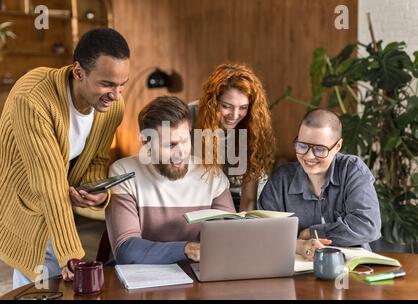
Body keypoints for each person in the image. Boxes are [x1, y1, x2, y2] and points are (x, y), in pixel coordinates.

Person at [0, 28, 131, 289]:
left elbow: (96, 158)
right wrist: (71, 253)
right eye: (107, 84)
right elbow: (47, 183)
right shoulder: (32, 98)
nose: (116, 95)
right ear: (78, 71)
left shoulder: (112, 106)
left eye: (122, 85)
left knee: (53, 277)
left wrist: (95, 191)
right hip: (18, 195)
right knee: (41, 272)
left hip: (54, 192)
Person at [105, 96, 324, 264]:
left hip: (197, 281)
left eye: (184, 141)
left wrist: (296, 245)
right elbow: (127, 250)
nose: (180, 153)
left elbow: (231, 238)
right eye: (170, 145)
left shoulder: (211, 175)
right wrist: (186, 249)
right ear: (145, 142)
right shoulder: (124, 173)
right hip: (140, 284)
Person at [258, 109, 381, 250]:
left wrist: (311, 233)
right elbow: (265, 232)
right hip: (296, 267)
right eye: (302, 146)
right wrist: (299, 245)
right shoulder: (281, 180)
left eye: (319, 149)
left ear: (337, 146)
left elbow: (368, 226)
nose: (309, 156)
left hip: (352, 266)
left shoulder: (352, 170)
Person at [192, 63, 276, 212]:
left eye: (243, 108)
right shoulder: (189, 118)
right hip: (198, 201)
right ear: (212, 102)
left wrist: (242, 228)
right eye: (226, 106)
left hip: (239, 203)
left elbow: (249, 199)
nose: (235, 115)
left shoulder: (253, 126)